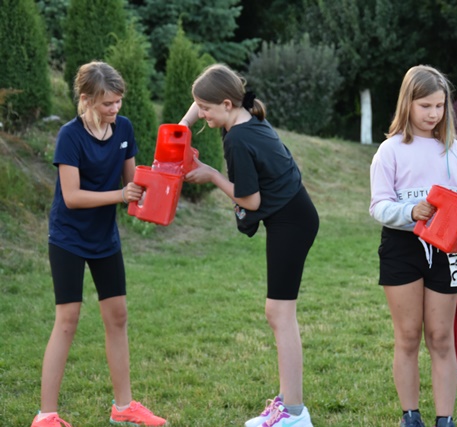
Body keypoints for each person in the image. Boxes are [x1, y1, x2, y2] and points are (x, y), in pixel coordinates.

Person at [179, 63, 319, 427]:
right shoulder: (245, 115)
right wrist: (182, 129)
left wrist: (211, 175)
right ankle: (289, 406)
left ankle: (294, 415)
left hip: (291, 222)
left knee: (279, 314)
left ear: (226, 104)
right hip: (295, 215)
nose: (202, 115)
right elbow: (204, 96)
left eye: (206, 109)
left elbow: (251, 200)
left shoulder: (237, 140)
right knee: (279, 314)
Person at [31, 61, 166, 427]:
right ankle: (46, 416)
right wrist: (121, 195)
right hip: (69, 238)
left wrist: (166, 177)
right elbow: (72, 196)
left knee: (118, 316)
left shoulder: (124, 128)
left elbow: (134, 183)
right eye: (108, 103)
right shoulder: (70, 136)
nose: (115, 109)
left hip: (105, 237)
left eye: (118, 101)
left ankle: (123, 407)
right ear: (87, 99)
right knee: (67, 320)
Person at [369, 65, 457, 427]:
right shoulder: (390, 150)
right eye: (425, 106)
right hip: (401, 249)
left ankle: (445, 419)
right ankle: (410, 416)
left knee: (441, 337)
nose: (433, 114)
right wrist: (410, 211)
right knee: (409, 335)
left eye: (439, 106)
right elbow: (378, 206)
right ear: (408, 103)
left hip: (447, 250)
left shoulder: (452, 150)